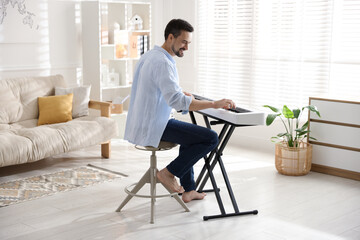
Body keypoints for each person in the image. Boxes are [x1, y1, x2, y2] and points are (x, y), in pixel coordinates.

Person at [124, 19, 236, 203]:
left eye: (188, 43)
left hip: (144, 122)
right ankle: (168, 173)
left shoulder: (150, 55)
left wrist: (182, 94)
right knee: (210, 138)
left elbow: (158, 90)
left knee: (192, 138)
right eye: (184, 42)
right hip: (156, 125)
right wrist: (215, 104)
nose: (186, 47)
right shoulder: (163, 62)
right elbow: (177, 102)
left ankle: (189, 190)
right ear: (170, 37)